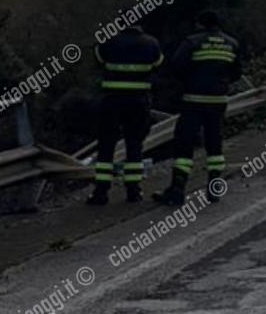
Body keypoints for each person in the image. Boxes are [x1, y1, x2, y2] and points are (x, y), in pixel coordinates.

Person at [154, 11, 242, 206]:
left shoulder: (192, 42)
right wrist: (221, 83)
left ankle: (177, 191)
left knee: (184, 143)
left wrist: (190, 82)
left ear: (200, 24)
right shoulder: (231, 43)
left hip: (194, 100)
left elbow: (176, 65)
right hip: (218, 101)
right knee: (215, 143)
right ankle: (214, 190)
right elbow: (236, 72)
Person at [89, 25, 163, 205]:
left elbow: (98, 61)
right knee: (135, 144)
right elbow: (158, 65)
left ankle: (101, 192)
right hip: (138, 102)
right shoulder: (151, 43)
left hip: (111, 101)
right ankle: (133, 191)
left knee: (106, 145)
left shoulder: (107, 41)